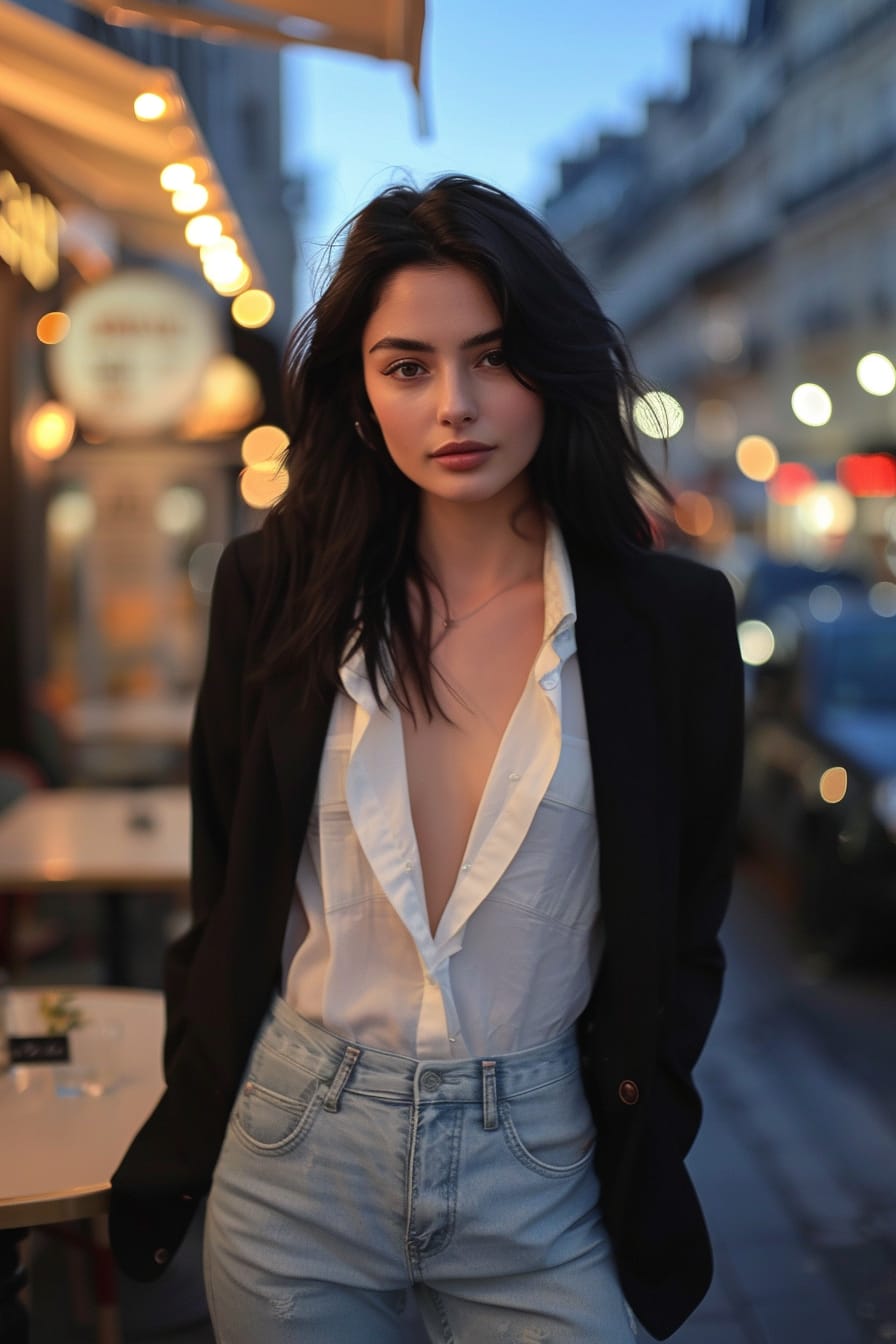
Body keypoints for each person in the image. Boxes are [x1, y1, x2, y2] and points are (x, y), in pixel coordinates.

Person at [109, 175, 743, 1342]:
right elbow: (225, 875)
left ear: (552, 369)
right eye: (406, 366)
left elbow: (688, 914)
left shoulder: (672, 624)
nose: (454, 403)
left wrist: (646, 1096)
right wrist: (205, 1069)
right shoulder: (273, 589)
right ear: (358, 390)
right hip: (298, 1149)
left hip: (545, 1166)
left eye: (492, 358)